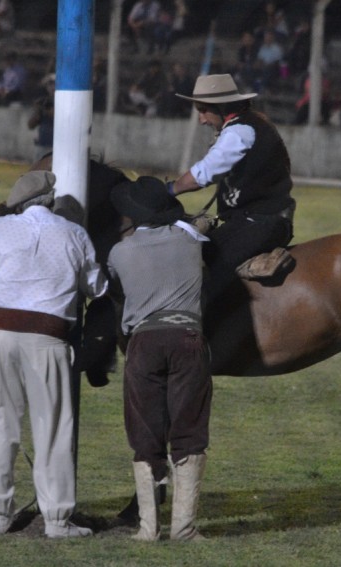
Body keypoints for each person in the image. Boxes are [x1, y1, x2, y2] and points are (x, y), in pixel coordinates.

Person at [0, 171, 106, 538]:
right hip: (48, 336)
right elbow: (97, 285)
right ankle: (57, 520)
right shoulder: (74, 234)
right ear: (50, 199)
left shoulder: (2, 229)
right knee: (52, 428)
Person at [107, 176, 212, 542]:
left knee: (145, 431)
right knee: (189, 429)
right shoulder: (190, 242)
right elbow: (199, 231)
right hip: (187, 338)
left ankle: (148, 527)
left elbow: (115, 287)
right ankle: (184, 527)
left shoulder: (119, 252)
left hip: (143, 340)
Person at [168, 74, 295, 303]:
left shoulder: (240, 131)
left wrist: (170, 190)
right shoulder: (249, 125)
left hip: (260, 222)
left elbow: (203, 174)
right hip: (258, 219)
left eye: (203, 110)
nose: (202, 120)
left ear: (222, 107)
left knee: (206, 270)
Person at [27, 73, 55, 161]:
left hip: (57, 146)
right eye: (49, 84)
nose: (52, 87)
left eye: (54, 84)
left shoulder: (65, 101)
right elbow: (30, 125)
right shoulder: (44, 101)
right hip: (42, 144)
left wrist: (45, 110)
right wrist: (37, 112)